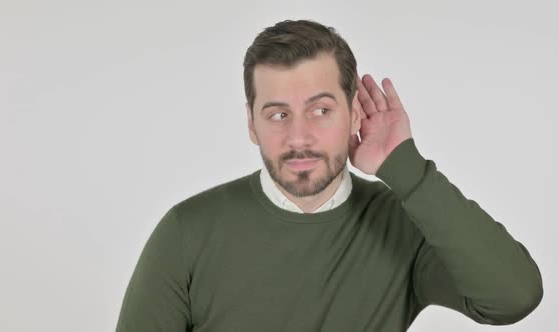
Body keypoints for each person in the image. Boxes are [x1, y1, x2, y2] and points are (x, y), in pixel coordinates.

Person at [115, 19, 543, 331]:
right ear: (251, 123)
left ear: (354, 112)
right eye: (278, 113)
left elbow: (513, 298)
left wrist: (407, 170)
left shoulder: (404, 224)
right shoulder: (186, 231)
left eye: (321, 110)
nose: (299, 136)